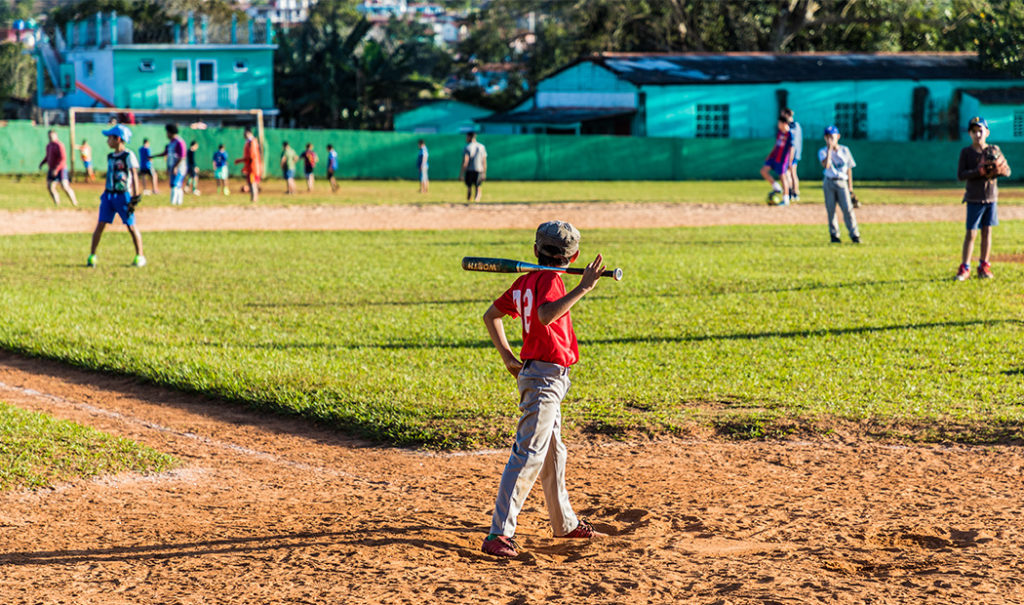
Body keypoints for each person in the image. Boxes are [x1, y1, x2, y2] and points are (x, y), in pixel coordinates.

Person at [480, 220, 607, 558]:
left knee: (552, 453)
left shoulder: (526, 280)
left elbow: (491, 315)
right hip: (544, 380)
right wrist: (583, 288)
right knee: (529, 455)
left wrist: (508, 355)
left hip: (546, 376)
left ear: (535, 250)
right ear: (574, 255)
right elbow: (546, 314)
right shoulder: (551, 280)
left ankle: (564, 523)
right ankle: (499, 534)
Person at [955, 116, 1012, 281]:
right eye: (974, 131)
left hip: (991, 198)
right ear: (969, 134)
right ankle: (965, 267)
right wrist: (978, 171)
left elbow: (1007, 170)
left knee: (987, 233)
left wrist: (999, 170)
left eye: (980, 130)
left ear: (987, 132)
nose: (977, 134)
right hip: (974, 198)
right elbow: (961, 175)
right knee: (971, 234)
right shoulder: (966, 152)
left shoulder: (993, 150)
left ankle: (984, 266)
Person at [86, 124, 145, 268]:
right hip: (108, 196)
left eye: (110, 138)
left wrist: (135, 197)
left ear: (118, 139)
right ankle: (92, 255)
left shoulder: (128, 156)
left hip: (123, 196)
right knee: (100, 224)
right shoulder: (110, 156)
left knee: (131, 226)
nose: (107, 141)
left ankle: (140, 256)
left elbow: (134, 176)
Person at [818, 125, 860, 244]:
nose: (830, 139)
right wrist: (829, 150)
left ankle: (855, 235)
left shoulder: (845, 150)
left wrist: (850, 187)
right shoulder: (822, 151)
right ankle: (834, 235)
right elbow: (826, 165)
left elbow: (849, 169)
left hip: (842, 182)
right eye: (827, 137)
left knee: (848, 209)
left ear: (838, 136)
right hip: (829, 182)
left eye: (832, 136)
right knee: (831, 210)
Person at [760, 115, 794, 206]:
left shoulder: (790, 134)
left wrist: (790, 162)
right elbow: (776, 145)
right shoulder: (780, 133)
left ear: (784, 123)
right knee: (763, 171)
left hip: (782, 160)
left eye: (779, 123)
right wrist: (770, 155)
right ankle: (776, 187)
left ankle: (786, 199)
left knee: (783, 178)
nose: (778, 125)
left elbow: (792, 149)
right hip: (774, 158)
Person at [38, 130, 79, 207]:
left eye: (52, 135)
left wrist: (57, 169)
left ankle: (74, 202)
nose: (51, 137)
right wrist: (42, 163)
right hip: (52, 169)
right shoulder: (48, 146)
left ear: (56, 136)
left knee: (64, 186)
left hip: (61, 169)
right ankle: (57, 203)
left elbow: (63, 159)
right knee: (50, 187)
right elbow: (48, 157)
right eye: (49, 136)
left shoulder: (59, 145)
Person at [150, 124, 187, 206]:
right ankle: (178, 203)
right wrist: (154, 156)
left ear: (171, 132)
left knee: (175, 185)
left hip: (179, 168)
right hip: (172, 167)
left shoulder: (179, 142)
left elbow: (182, 157)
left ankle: (173, 204)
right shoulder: (171, 143)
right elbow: (165, 153)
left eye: (167, 132)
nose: (166, 134)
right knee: (176, 185)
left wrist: (175, 167)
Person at [234, 127, 261, 203]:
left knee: (253, 183)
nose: (244, 135)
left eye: (245, 133)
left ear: (249, 133)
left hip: (253, 167)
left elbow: (252, 156)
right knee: (250, 183)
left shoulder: (252, 142)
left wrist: (241, 161)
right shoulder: (249, 142)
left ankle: (254, 198)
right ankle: (253, 198)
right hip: (250, 167)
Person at [781, 107, 802, 201]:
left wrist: (790, 156)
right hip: (793, 153)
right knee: (790, 173)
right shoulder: (796, 125)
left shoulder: (793, 126)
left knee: (790, 173)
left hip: (792, 153)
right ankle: (792, 193)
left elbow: (792, 143)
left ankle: (794, 193)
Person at [460, 132, 487, 202]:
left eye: (467, 137)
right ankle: (477, 199)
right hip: (479, 169)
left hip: (470, 169)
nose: (466, 138)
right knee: (478, 185)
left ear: (470, 137)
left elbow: (465, 160)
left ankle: (470, 198)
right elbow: (484, 160)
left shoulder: (467, 147)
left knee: (469, 185)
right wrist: (484, 172)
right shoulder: (481, 146)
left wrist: (462, 173)